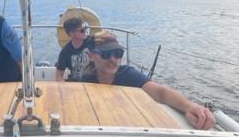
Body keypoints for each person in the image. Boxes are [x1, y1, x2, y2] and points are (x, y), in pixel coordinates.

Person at [82, 31, 215, 130]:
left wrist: (189, 106)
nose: (113, 59)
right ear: (91, 56)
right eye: (105, 54)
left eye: (118, 54)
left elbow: (160, 92)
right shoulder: (86, 81)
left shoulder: (128, 75)